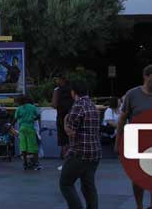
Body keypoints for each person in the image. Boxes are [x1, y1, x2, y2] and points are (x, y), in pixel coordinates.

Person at [115, 64, 152, 209]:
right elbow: (122, 119)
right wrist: (118, 142)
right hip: (137, 142)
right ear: (146, 76)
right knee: (138, 177)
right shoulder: (132, 94)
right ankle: (139, 206)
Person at [59, 81, 101, 209]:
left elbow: (70, 131)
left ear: (73, 92)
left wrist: (65, 120)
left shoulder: (78, 106)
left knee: (66, 184)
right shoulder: (93, 106)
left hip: (79, 152)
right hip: (94, 153)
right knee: (88, 186)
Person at [14, 95, 42, 170]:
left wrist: (11, 125)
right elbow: (38, 116)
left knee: (23, 146)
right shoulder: (32, 107)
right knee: (33, 146)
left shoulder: (19, 108)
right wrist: (32, 119)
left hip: (22, 128)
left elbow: (15, 118)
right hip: (30, 128)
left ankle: (25, 163)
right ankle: (36, 163)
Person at [52, 75, 74, 158]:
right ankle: (69, 152)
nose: (57, 81)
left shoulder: (57, 90)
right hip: (71, 114)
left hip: (61, 115)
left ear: (62, 80)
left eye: (57, 79)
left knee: (62, 134)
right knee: (70, 134)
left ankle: (64, 153)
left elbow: (54, 104)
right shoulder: (72, 89)